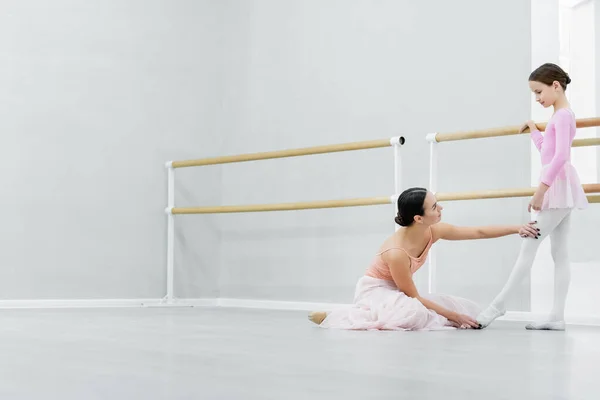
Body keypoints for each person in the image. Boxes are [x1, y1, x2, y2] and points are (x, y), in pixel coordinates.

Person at [307, 187, 540, 331]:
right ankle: (339, 315)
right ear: (419, 218)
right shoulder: (396, 253)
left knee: (458, 306)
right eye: (434, 206)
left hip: (399, 291)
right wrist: (454, 318)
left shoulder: (433, 230)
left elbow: (476, 232)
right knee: (414, 314)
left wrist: (517, 228)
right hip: (376, 290)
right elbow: (414, 296)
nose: (441, 208)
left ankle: (376, 312)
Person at [476, 63, 588, 331]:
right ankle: (557, 316)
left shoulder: (562, 116)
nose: (537, 98)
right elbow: (548, 152)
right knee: (559, 252)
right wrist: (535, 131)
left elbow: (561, 156)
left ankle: (498, 305)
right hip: (560, 185)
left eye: (539, 92)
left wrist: (541, 191)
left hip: (555, 187)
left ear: (556, 86)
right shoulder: (560, 115)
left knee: (529, 245)